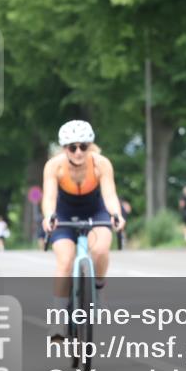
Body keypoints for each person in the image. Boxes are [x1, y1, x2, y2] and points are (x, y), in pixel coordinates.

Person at [41, 120, 125, 341]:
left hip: (95, 211)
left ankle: (97, 288)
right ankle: (58, 322)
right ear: (64, 148)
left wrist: (116, 215)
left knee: (100, 250)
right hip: (64, 214)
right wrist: (49, 216)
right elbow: (49, 198)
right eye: (72, 147)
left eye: (83, 146)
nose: (78, 152)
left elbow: (109, 195)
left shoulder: (101, 164)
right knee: (65, 261)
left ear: (91, 146)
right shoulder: (54, 166)